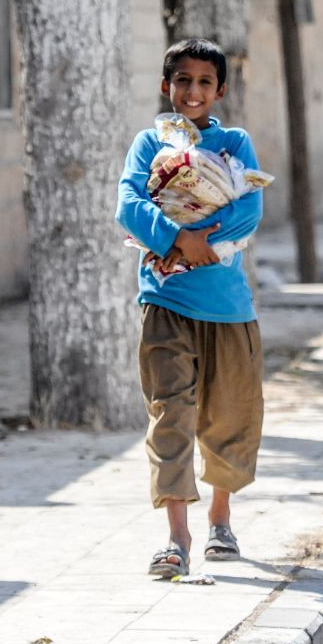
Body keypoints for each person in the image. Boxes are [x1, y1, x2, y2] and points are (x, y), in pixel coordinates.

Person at [115, 38, 266, 579]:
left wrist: (206, 241)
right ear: (166, 86)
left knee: (229, 415)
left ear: (219, 90)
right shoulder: (146, 144)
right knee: (169, 414)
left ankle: (220, 519)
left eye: (204, 82)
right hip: (165, 301)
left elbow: (250, 208)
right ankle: (176, 537)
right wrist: (179, 240)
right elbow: (129, 204)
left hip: (226, 307)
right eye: (183, 80)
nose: (193, 91)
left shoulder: (235, 143)